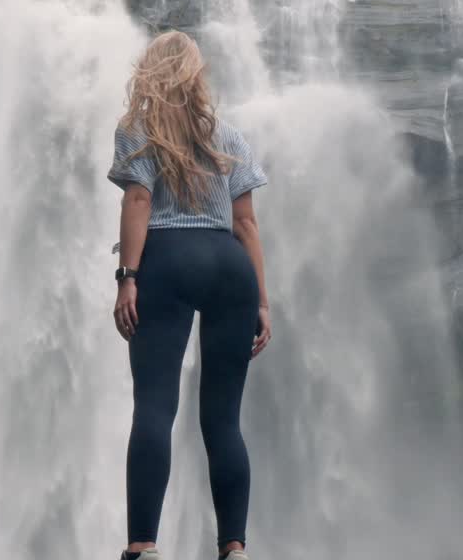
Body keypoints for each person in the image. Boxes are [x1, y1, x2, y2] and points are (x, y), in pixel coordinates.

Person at [108, 31, 271, 560]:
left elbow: (137, 199)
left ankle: (143, 547)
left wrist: (127, 276)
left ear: (151, 72)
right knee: (223, 419)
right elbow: (246, 225)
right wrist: (263, 302)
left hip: (169, 260)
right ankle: (235, 549)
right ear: (198, 75)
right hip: (230, 267)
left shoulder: (139, 130)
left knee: (155, 406)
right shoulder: (229, 138)